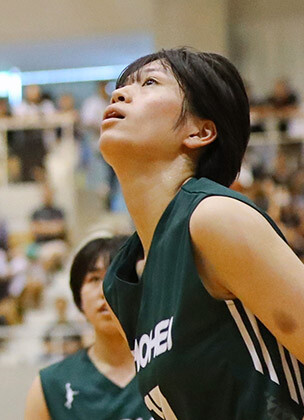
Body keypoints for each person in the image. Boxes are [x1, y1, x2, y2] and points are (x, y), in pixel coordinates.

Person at [100, 48, 304, 419]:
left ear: (200, 131)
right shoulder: (125, 276)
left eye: (149, 83)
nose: (120, 94)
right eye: (122, 87)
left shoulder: (213, 217)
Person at [24, 235, 149, 420]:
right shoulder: (51, 385)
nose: (105, 290)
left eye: (119, 276)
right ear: (78, 298)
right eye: (94, 279)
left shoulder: (170, 372)